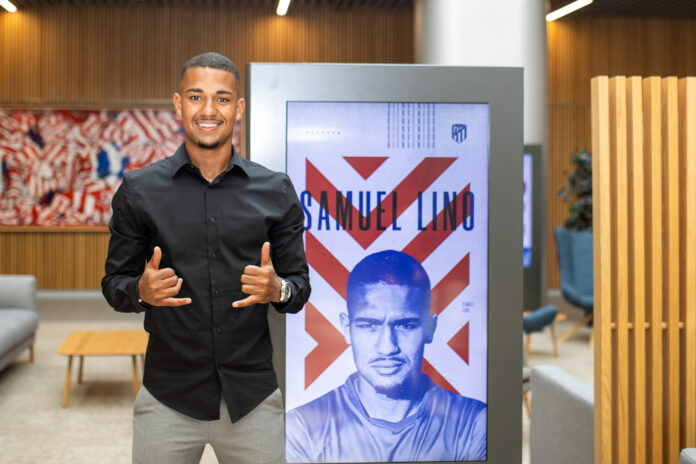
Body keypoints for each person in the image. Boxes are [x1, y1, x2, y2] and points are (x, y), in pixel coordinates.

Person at [101, 52, 310, 464]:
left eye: (222, 98)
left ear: (239, 108)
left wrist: (278, 289)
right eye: (196, 97)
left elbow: (298, 288)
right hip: (168, 397)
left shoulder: (276, 190)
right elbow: (114, 285)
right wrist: (141, 292)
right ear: (178, 104)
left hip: (251, 398)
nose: (209, 110)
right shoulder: (139, 191)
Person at [286, 250, 486, 462]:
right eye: (369, 325)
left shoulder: (473, 422)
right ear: (347, 328)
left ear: (430, 328)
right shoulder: (302, 428)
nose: (387, 347)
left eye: (406, 325)